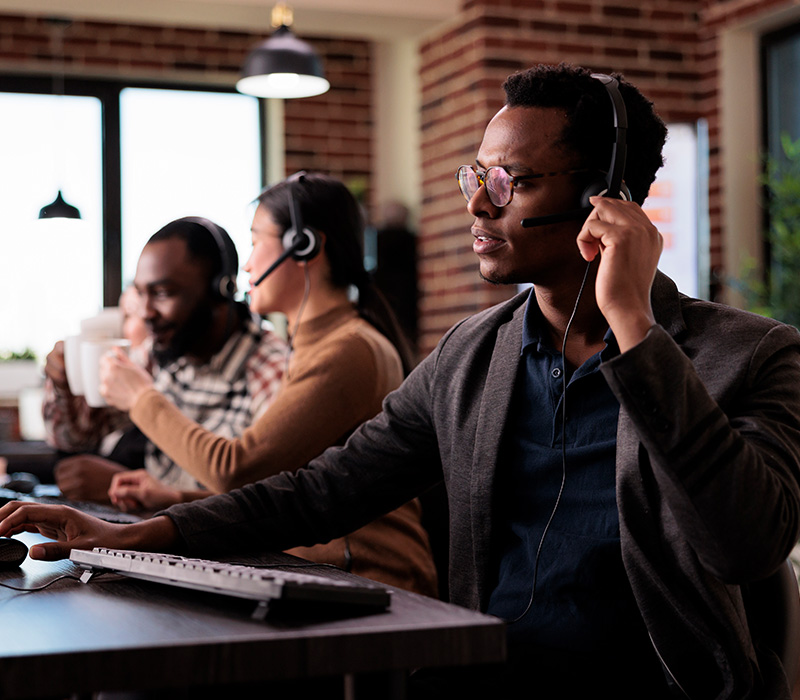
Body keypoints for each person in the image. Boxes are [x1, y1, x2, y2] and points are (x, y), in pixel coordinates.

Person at [4, 63, 800, 698]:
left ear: (608, 197)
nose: (478, 208)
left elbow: (743, 544)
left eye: (512, 183)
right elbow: (322, 490)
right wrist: (134, 536)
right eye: (476, 178)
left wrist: (634, 327)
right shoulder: (470, 356)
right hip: (475, 673)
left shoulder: (755, 357)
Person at [92, 173, 437, 597]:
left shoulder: (349, 349)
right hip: (321, 572)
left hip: (373, 579)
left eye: (256, 241)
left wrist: (140, 397)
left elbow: (237, 468)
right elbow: (292, 490)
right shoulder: (318, 344)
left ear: (304, 245)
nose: (249, 264)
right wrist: (173, 496)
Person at [41, 217, 287, 503]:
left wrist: (157, 496)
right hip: (149, 538)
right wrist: (65, 386)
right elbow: (76, 439)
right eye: (141, 293)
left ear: (222, 290)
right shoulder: (157, 356)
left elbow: (271, 504)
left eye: (162, 293)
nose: (145, 313)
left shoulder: (273, 371)